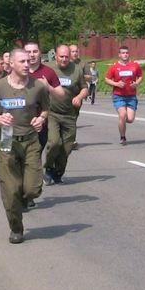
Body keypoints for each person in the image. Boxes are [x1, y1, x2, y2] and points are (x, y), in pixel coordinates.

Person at [0, 49, 50, 244]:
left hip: (30, 140)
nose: (27, 64)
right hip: (7, 140)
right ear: (11, 64)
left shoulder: (38, 87)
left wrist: (41, 119)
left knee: (32, 189)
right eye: (22, 61)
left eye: (28, 61)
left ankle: (24, 195)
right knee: (10, 193)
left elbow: (45, 108)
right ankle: (16, 229)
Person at [44, 44, 88, 185]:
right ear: (55, 56)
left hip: (70, 114)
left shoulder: (76, 70)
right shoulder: (48, 68)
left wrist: (79, 97)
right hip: (52, 113)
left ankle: (58, 172)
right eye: (61, 56)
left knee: (67, 147)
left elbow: (84, 88)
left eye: (66, 57)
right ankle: (49, 167)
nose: (64, 59)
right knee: (54, 142)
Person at [24, 41, 65, 152]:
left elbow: (61, 96)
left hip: (40, 120)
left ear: (40, 53)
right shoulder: (18, 71)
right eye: (28, 52)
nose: (32, 54)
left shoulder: (48, 72)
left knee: (35, 155)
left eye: (35, 51)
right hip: (20, 121)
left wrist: (48, 87)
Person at [105, 45, 143, 145]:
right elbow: (107, 79)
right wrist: (116, 84)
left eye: (126, 53)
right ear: (119, 55)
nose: (125, 55)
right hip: (119, 95)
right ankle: (122, 137)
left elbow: (140, 76)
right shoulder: (114, 67)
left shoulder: (135, 65)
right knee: (122, 115)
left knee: (130, 119)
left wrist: (136, 84)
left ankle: (122, 122)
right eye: (123, 53)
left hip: (131, 96)